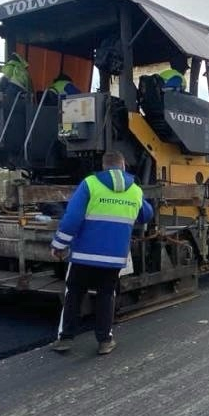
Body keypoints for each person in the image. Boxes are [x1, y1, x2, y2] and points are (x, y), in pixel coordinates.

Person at [49, 151, 154, 355]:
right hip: (114, 257)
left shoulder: (90, 184)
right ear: (123, 167)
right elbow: (146, 215)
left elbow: (71, 219)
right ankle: (105, 341)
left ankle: (66, 339)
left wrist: (59, 244)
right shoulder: (134, 190)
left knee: (74, 294)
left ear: (104, 167)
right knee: (106, 295)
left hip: (84, 256)